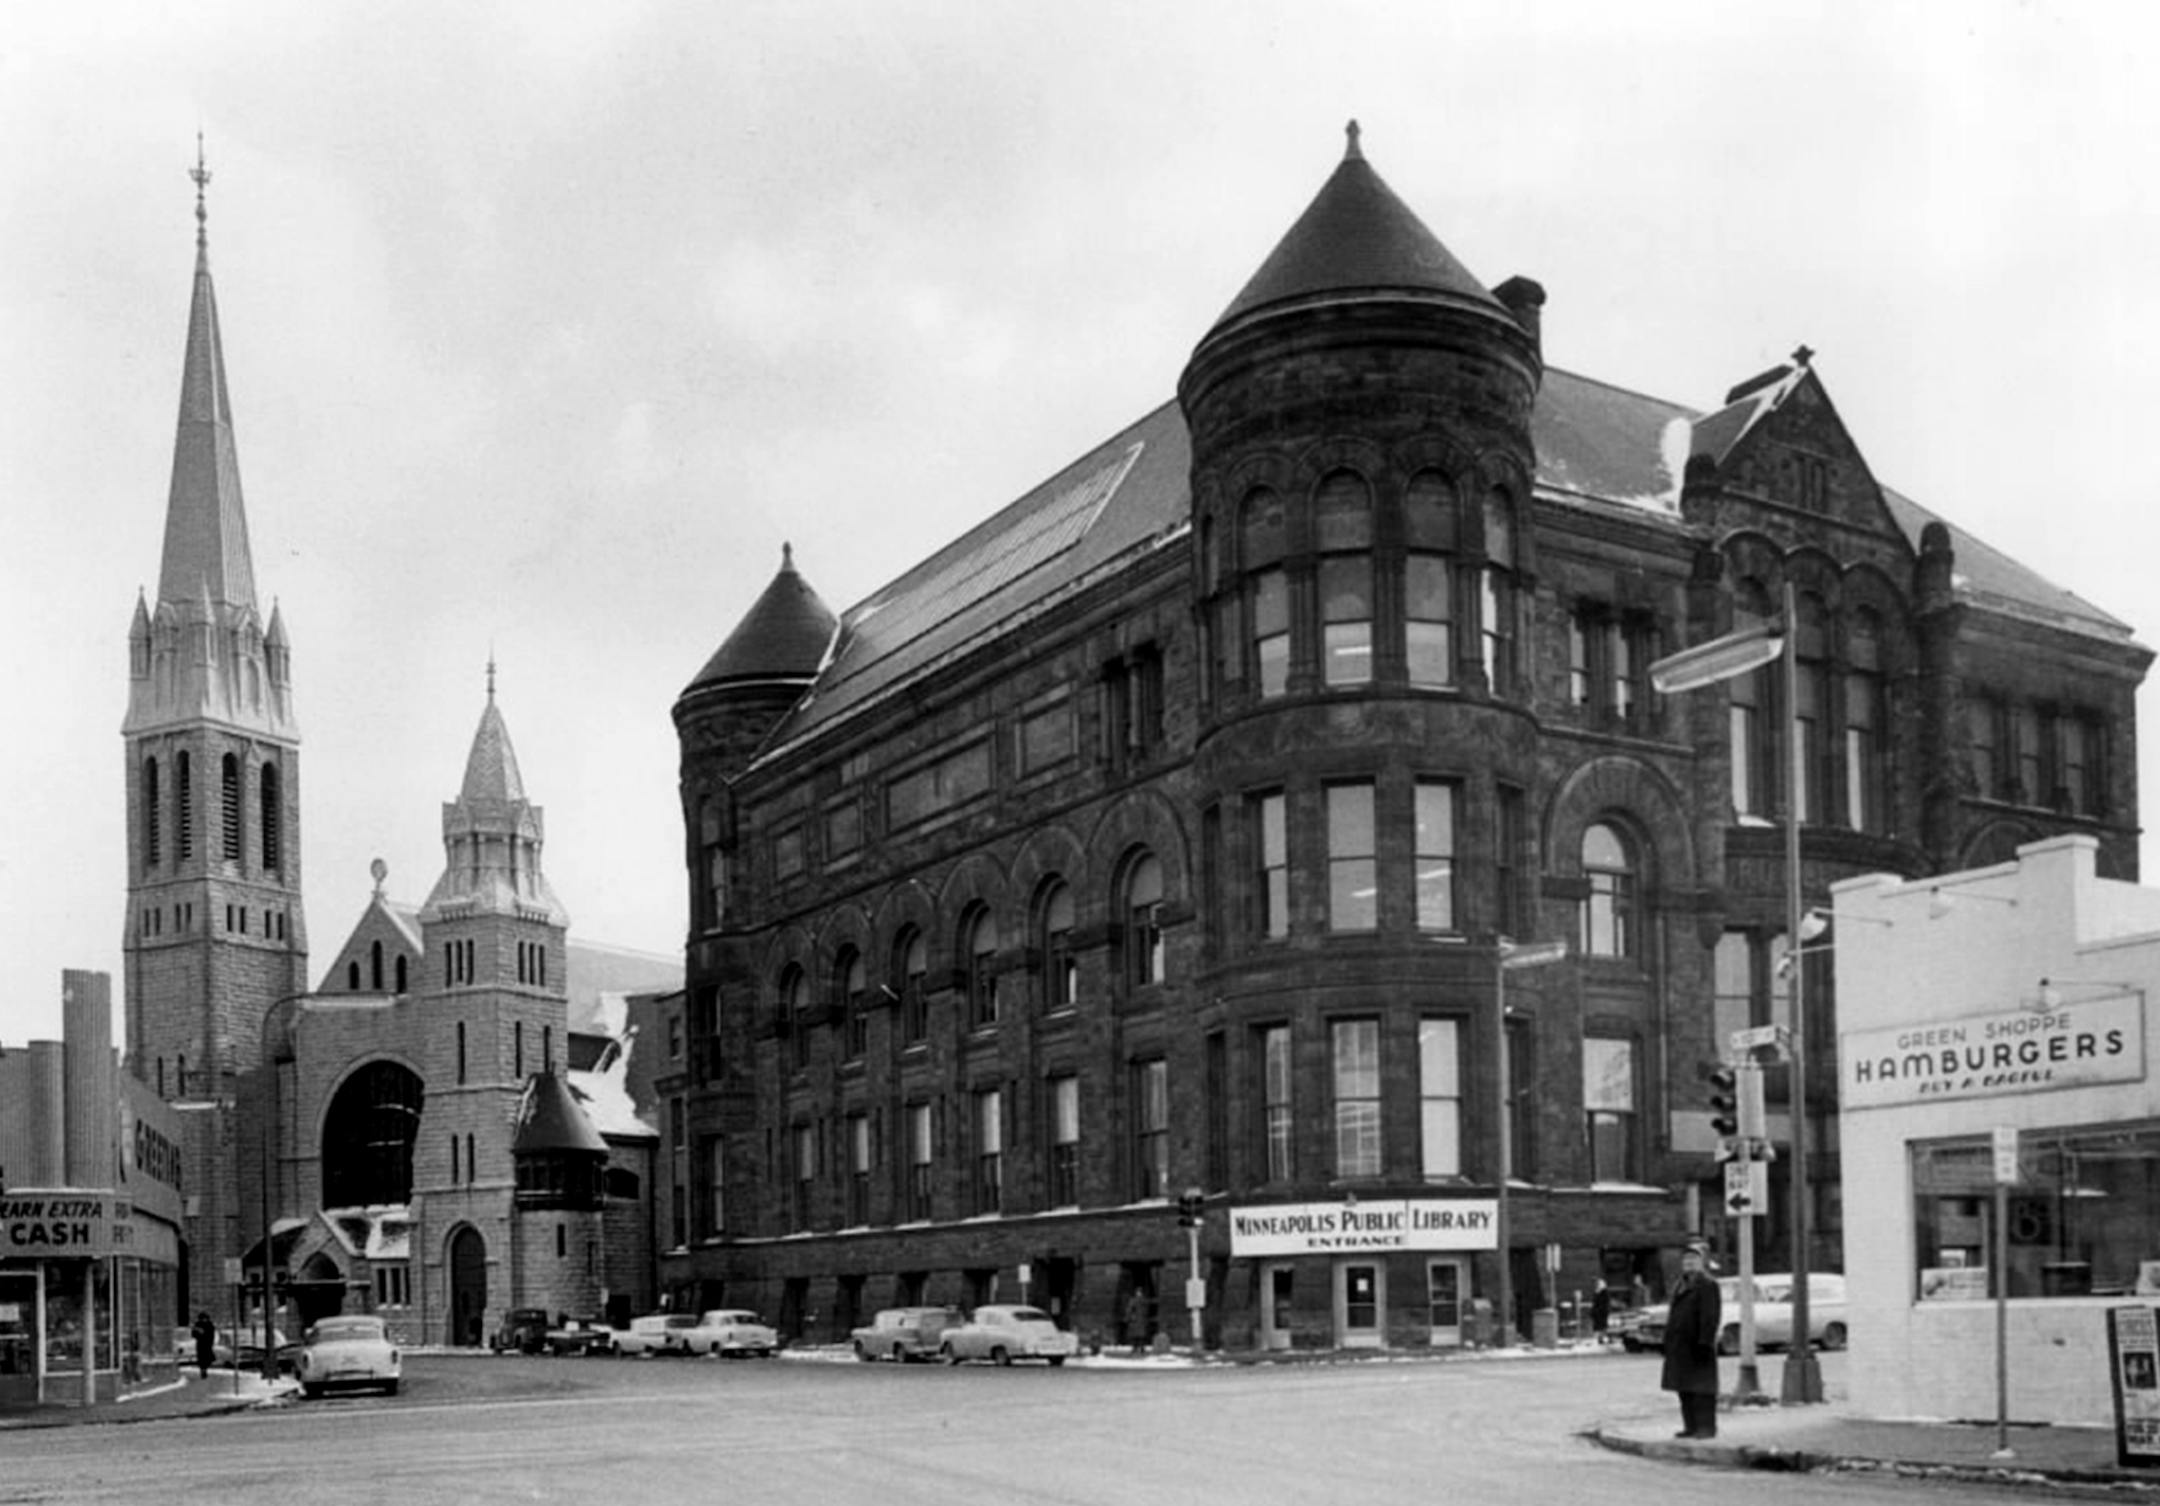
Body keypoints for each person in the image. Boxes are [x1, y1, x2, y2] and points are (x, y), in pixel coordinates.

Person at [1660, 1241, 1722, 1438]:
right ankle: (1691, 1426)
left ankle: (1706, 1427)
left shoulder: (1707, 1285)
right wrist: (1667, 1340)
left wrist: (1705, 1341)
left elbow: (1710, 1316)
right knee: (1684, 1389)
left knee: (1702, 1389)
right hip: (1680, 1346)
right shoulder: (1681, 1284)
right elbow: (1674, 1315)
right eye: (1686, 1259)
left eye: (1693, 1259)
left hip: (1698, 1345)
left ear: (1702, 1262)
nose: (1689, 1262)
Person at [190, 1311, 216, 1379]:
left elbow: (211, 1335)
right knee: (202, 1358)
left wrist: (204, 1334)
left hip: (207, 1344)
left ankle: (204, 1369)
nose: (204, 1320)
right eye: (202, 1318)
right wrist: (199, 1333)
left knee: (207, 1358)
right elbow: (193, 1334)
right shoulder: (198, 1324)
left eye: (205, 1318)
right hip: (201, 1344)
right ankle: (203, 1370)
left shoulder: (210, 1325)